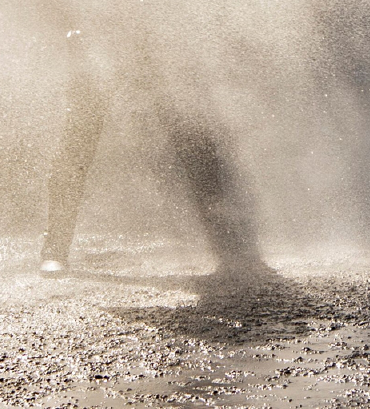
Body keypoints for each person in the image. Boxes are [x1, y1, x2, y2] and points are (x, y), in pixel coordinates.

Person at [39, 28, 263, 275]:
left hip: (153, 42)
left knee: (192, 129)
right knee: (76, 142)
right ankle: (55, 248)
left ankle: (232, 245)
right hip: (94, 39)